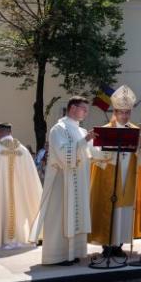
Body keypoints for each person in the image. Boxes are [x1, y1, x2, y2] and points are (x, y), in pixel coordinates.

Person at [88, 86, 141, 258]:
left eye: (127, 112)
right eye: (121, 112)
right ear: (115, 113)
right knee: (109, 208)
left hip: (128, 177)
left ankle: (118, 244)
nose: (125, 116)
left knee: (124, 210)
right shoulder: (105, 130)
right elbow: (93, 153)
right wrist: (107, 154)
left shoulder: (135, 131)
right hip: (109, 176)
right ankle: (107, 244)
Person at [30, 96, 96, 265]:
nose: (86, 113)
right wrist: (84, 142)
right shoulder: (59, 129)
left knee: (75, 215)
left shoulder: (81, 131)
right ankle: (56, 256)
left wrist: (105, 150)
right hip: (62, 181)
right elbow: (63, 155)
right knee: (60, 216)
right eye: (84, 109)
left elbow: (91, 153)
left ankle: (73, 253)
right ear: (73, 108)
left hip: (78, 181)